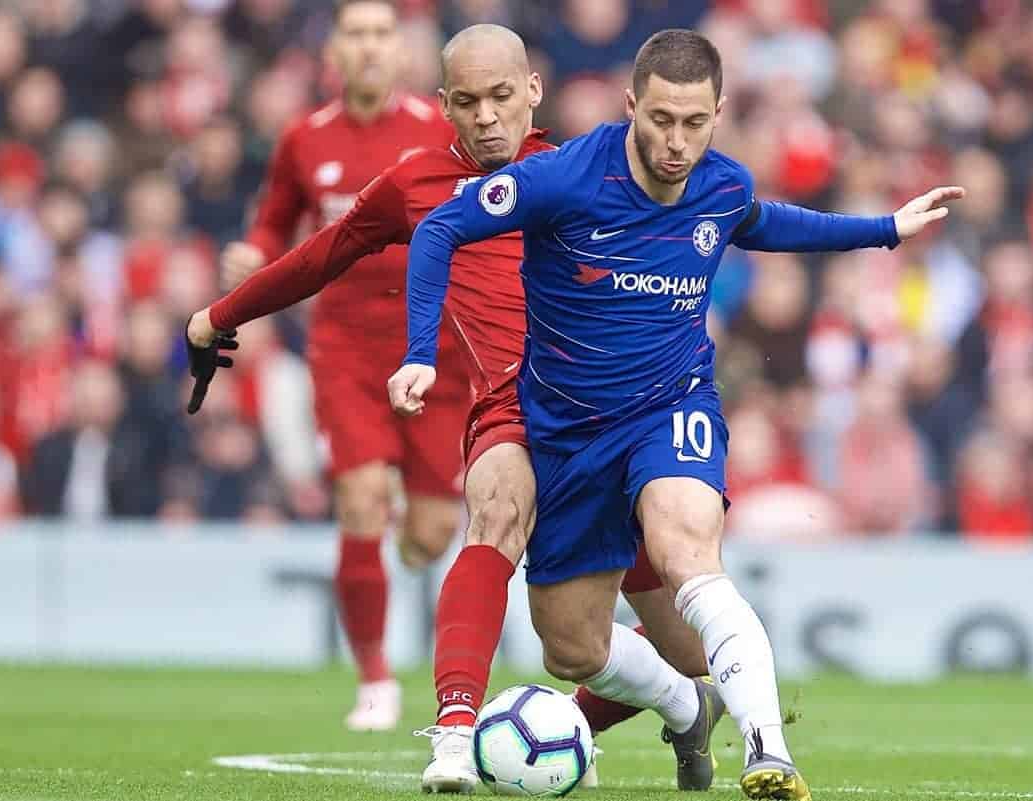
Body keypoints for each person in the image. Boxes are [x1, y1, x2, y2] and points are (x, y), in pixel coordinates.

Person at [389, 28, 961, 800]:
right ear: (632, 107)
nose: (676, 141)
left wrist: (886, 230)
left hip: (670, 408)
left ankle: (771, 751)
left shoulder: (719, 186)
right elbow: (440, 227)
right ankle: (687, 705)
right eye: (661, 120)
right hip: (566, 433)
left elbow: (770, 222)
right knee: (572, 647)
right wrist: (421, 350)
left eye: (695, 123)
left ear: (719, 113)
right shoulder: (564, 178)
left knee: (690, 548)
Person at [186, 24, 717, 794]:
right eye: (467, 102)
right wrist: (217, 315)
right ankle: (457, 727)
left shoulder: (589, 171)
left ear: (532, 91)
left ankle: (663, 706)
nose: (487, 116)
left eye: (502, 96)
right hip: (511, 403)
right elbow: (318, 255)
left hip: (614, 415)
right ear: (444, 106)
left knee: (682, 646)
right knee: (494, 511)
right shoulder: (414, 184)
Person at [215, 0, 472, 732]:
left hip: (436, 352)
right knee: (359, 500)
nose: (368, 47)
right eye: (355, 33)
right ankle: (375, 679)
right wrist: (253, 255)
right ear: (335, 49)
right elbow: (273, 221)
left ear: (400, 50)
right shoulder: (304, 139)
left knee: (426, 538)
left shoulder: (438, 131)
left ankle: (399, 520)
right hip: (346, 351)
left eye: (381, 34)